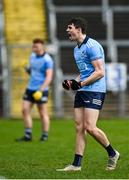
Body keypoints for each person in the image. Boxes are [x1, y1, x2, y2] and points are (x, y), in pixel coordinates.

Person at [58, 18, 120, 171]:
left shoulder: (92, 46)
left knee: (90, 127)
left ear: (78, 29)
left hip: (95, 90)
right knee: (79, 127)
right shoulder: (76, 48)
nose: (67, 31)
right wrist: (74, 82)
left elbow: (100, 72)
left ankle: (113, 153)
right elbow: (85, 72)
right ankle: (76, 165)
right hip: (83, 90)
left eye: (69, 27)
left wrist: (81, 83)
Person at [16, 38, 54, 142]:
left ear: (42, 47)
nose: (34, 48)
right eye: (33, 46)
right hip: (30, 88)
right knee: (24, 110)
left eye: (36, 46)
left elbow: (49, 78)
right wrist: (27, 68)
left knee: (42, 113)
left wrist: (40, 90)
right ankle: (28, 135)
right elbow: (33, 73)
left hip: (41, 89)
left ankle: (44, 135)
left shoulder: (47, 59)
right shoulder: (32, 56)